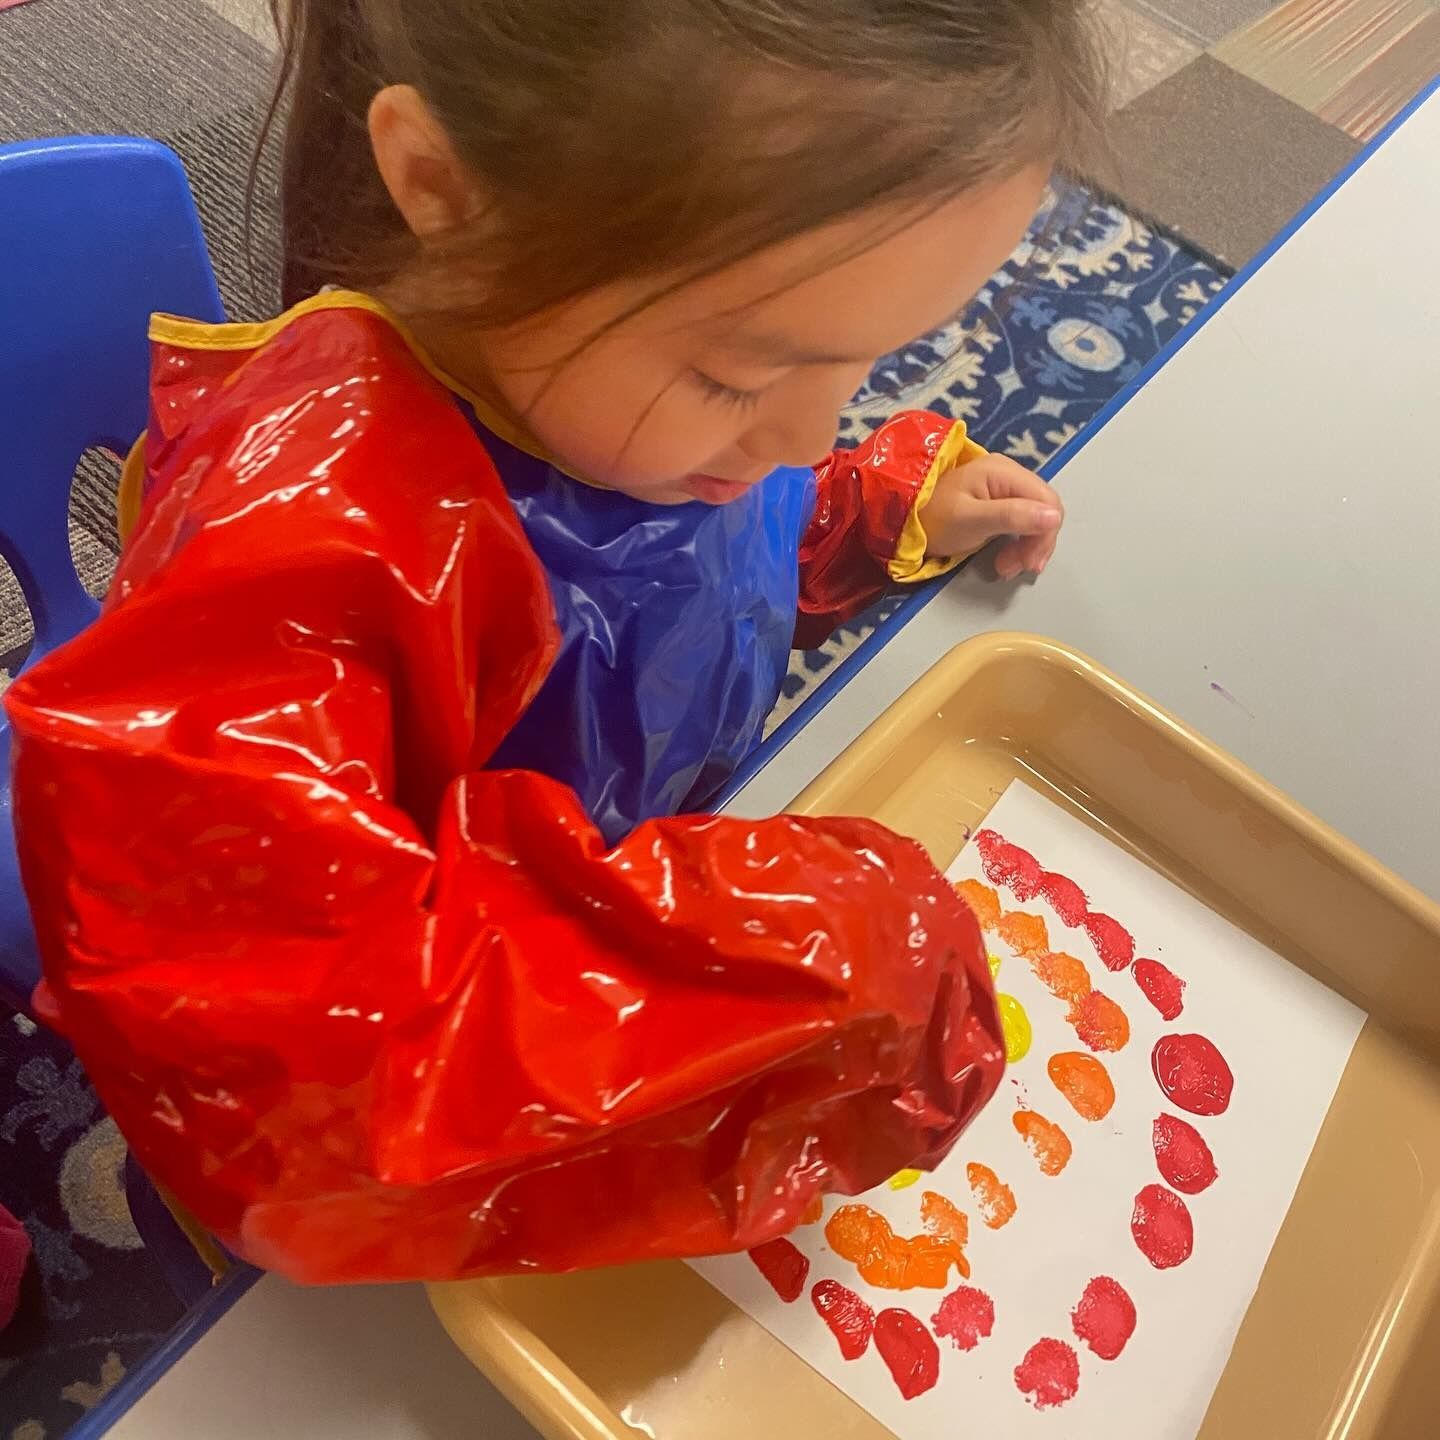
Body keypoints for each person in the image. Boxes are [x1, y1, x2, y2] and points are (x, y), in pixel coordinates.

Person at [6, 0, 1104, 1284]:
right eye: (743, 381)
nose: (807, 435)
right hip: (404, 1149)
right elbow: (300, 1098)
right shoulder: (304, 546)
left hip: (614, 947)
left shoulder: (647, 402)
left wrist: (858, 515)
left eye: (865, 362)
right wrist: (804, 952)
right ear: (446, 191)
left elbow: (679, 589)